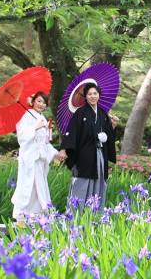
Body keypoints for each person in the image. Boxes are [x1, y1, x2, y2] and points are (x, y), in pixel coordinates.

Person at [58, 82, 118, 212]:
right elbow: (71, 131)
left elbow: (108, 136)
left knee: (99, 182)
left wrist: (112, 126)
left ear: (99, 95)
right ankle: (74, 215)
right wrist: (63, 149)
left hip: (99, 155)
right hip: (84, 155)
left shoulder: (102, 114)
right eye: (89, 94)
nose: (92, 96)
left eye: (95, 93)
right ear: (85, 96)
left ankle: (95, 215)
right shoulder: (80, 113)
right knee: (81, 182)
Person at [11, 92, 59, 219]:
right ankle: (23, 215)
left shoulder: (41, 117)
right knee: (29, 186)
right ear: (32, 102)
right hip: (30, 159)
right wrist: (35, 128)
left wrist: (55, 152)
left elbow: (44, 142)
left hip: (40, 159)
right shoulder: (26, 116)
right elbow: (21, 137)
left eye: (44, 102)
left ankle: (37, 216)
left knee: (39, 187)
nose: (41, 104)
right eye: (38, 101)